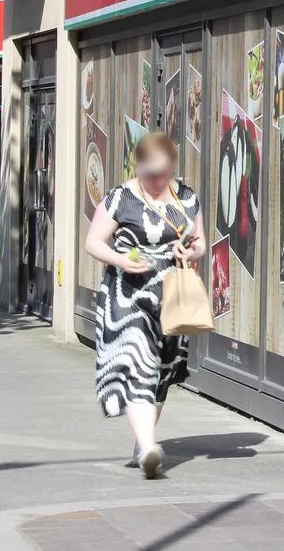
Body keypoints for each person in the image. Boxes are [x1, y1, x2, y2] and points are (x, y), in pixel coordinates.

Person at [84, 132, 205, 479]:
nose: (157, 181)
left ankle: (143, 441)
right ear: (138, 168)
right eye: (151, 174)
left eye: (163, 174)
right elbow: (93, 241)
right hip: (127, 295)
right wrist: (120, 259)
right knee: (139, 363)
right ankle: (150, 447)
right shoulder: (120, 198)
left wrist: (190, 251)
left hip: (172, 297)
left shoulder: (187, 198)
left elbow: (200, 243)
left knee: (162, 373)